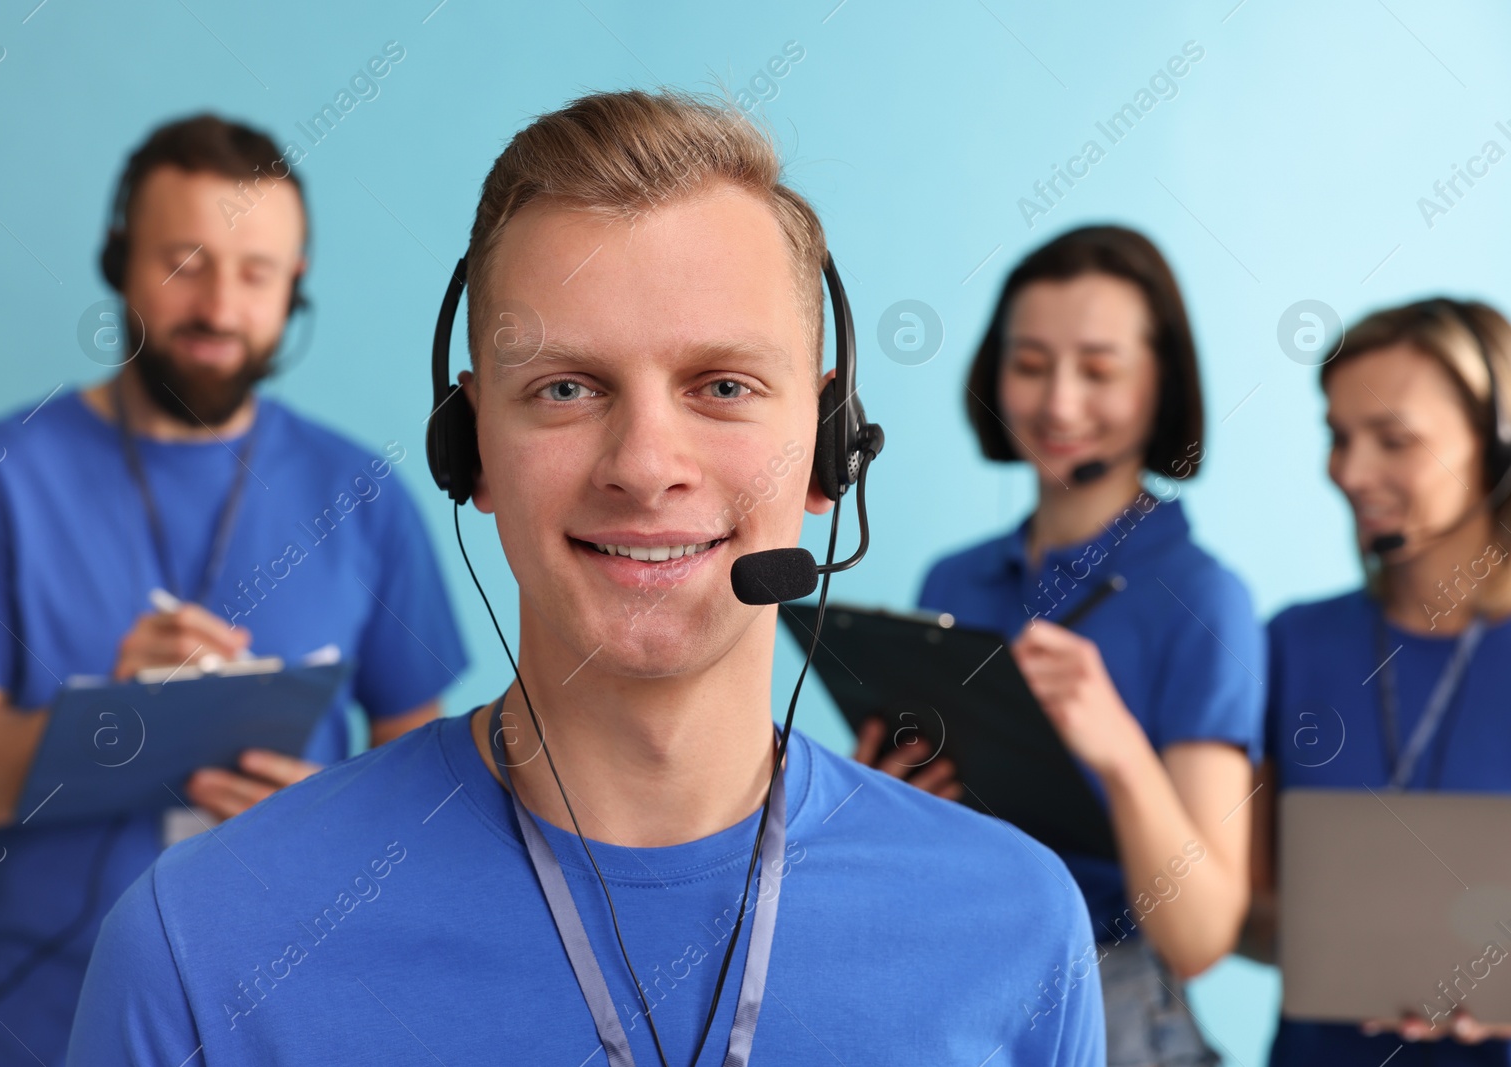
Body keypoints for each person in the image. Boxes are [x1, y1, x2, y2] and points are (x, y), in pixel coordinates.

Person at [65, 89, 1104, 1066]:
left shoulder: (1018, 925)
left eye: (724, 385)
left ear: (831, 447)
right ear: (470, 446)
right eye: (565, 387)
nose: (646, 464)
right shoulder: (202, 941)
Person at [0, 114, 468, 1067]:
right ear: (120, 263)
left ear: (294, 290)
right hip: (41, 1029)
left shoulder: (360, 493)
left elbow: (430, 790)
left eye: (256, 273)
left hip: (304, 1027)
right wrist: (115, 726)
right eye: (185, 263)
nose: (217, 304)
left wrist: (333, 815)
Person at [873, 226, 1263, 1065]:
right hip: (962, 997)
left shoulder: (1203, 601)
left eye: (1099, 369)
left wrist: (1118, 748)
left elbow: (1198, 938)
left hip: (1119, 1009)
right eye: (1029, 363)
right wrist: (888, 797)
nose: (1057, 404)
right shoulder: (955, 581)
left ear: (1162, 385)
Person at [1247, 298, 1511, 1064]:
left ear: (1496, 450)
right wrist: (1362, 943)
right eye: (1338, 436)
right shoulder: (1293, 642)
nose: (1351, 472)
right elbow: (1239, 907)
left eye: (1394, 440)